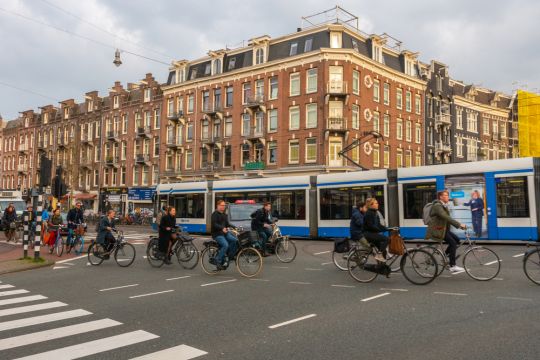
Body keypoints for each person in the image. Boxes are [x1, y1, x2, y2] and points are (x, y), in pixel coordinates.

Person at [425, 190, 467, 272]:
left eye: (448, 195)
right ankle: (452, 266)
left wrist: (460, 226)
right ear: (441, 197)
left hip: (443, 230)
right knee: (453, 243)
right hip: (437, 230)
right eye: (445, 195)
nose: (448, 197)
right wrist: (459, 225)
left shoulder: (443, 205)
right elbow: (445, 217)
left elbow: (447, 219)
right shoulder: (437, 206)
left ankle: (446, 255)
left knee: (457, 240)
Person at [211, 200, 238, 269]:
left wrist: (235, 227)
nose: (224, 207)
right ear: (218, 206)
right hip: (217, 234)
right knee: (225, 245)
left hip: (225, 233)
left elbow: (227, 224)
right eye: (222, 205)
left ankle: (229, 256)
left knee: (235, 240)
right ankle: (218, 260)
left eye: (224, 206)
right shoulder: (215, 214)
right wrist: (222, 228)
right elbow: (214, 224)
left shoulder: (224, 214)